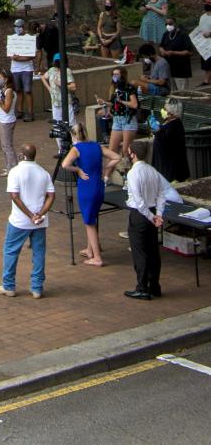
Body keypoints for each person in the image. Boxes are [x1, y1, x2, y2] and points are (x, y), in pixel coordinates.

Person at [0, 143, 55, 299]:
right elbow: (51, 196)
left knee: (11, 250)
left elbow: (14, 196)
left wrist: (29, 215)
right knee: (39, 252)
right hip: (40, 221)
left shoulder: (15, 172)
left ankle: (8, 286)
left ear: (22, 155)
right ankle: (37, 288)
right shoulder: (44, 173)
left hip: (19, 220)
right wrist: (40, 214)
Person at [118, 153, 178, 300]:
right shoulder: (152, 170)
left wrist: (152, 217)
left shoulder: (134, 173)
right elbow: (161, 194)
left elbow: (138, 201)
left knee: (140, 251)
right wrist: (158, 214)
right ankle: (155, 286)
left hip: (140, 215)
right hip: (152, 211)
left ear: (134, 154)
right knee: (152, 250)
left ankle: (142, 287)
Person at [60, 118, 106, 264]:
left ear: (74, 136)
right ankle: (90, 248)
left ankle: (97, 257)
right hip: (98, 185)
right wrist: (106, 170)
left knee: (89, 222)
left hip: (87, 187)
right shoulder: (96, 146)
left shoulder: (77, 148)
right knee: (93, 217)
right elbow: (116, 157)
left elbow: (65, 164)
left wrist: (78, 169)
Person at [98, 65, 139, 162]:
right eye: (113, 74)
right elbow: (113, 103)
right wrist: (103, 102)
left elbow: (134, 104)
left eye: (117, 74)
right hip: (117, 120)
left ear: (123, 76)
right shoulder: (115, 88)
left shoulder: (129, 88)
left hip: (128, 120)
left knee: (126, 152)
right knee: (111, 151)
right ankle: (107, 176)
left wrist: (122, 102)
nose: (114, 76)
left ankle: (128, 174)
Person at [0, 69, 19, 173]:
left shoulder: (9, 91)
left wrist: (0, 103)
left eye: (0, 78)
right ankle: (8, 166)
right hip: (3, 119)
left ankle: (13, 168)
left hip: (7, 121)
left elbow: (6, 108)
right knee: (4, 145)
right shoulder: (4, 89)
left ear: (6, 79)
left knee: (7, 146)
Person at [152, 101, 189, 183]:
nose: (163, 110)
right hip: (165, 166)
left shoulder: (174, 126)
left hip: (171, 170)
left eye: (165, 109)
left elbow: (165, 142)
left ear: (171, 113)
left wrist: (157, 131)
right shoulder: (171, 123)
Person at [9, 19, 35, 122]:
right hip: (15, 69)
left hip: (27, 69)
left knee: (27, 90)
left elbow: (31, 55)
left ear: (23, 27)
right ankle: (20, 111)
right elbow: (11, 55)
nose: (17, 29)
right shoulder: (12, 38)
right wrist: (18, 58)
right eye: (15, 27)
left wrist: (19, 58)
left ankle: (30, 112)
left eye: (19, 27)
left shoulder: (29, 39)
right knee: (18, 90)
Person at [160, 17, 194, 82]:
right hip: (169, 69)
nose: (168, 26)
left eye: (170, 24)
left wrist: (174, 52)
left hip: (181, 68)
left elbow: (189, 51)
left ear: (175, 24)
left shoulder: (183, 34)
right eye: (166, 24)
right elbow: (161, 46)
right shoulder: (166, 34)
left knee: (182, 90)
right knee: (172, 90)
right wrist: (163, 51)